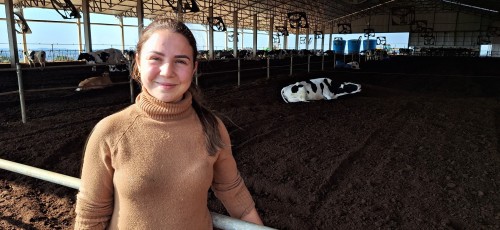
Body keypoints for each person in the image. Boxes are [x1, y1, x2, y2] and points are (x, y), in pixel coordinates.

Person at [74, 17, 263, 229]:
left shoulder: (212, 127)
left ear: (193, 68)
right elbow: (91, 216)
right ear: (138, 62)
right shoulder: (110, 132)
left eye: (181, 61)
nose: (167, 71)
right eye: (155, 58)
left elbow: (235, 195)